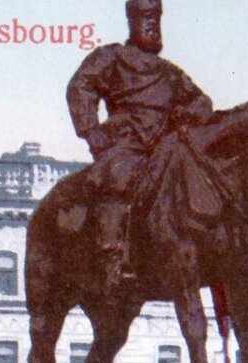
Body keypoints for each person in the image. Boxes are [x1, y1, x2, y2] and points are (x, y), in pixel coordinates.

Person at [66, 0, 214, 290]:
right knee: (119, 178)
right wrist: (89, 128)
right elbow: (80, 86)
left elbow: (201, 101)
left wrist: (189, 113)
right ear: (132, 20)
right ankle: (112, 260)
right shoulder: (112, 57)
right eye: (145, 17)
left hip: (165, 146)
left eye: (155, 18)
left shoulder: (169, 72)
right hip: (126, 142)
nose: (151, 25)